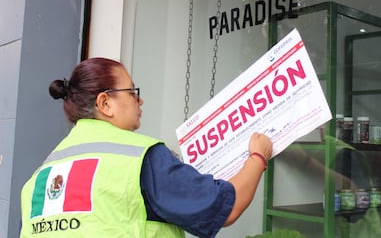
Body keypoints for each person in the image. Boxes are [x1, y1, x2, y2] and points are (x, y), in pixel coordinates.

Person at [20, 57, 273, 238]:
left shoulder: (37, 181)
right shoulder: (140, 158)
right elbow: (224, 208)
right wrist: (258, 156)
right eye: (132, 92)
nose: (140, 100)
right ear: (105, 103)